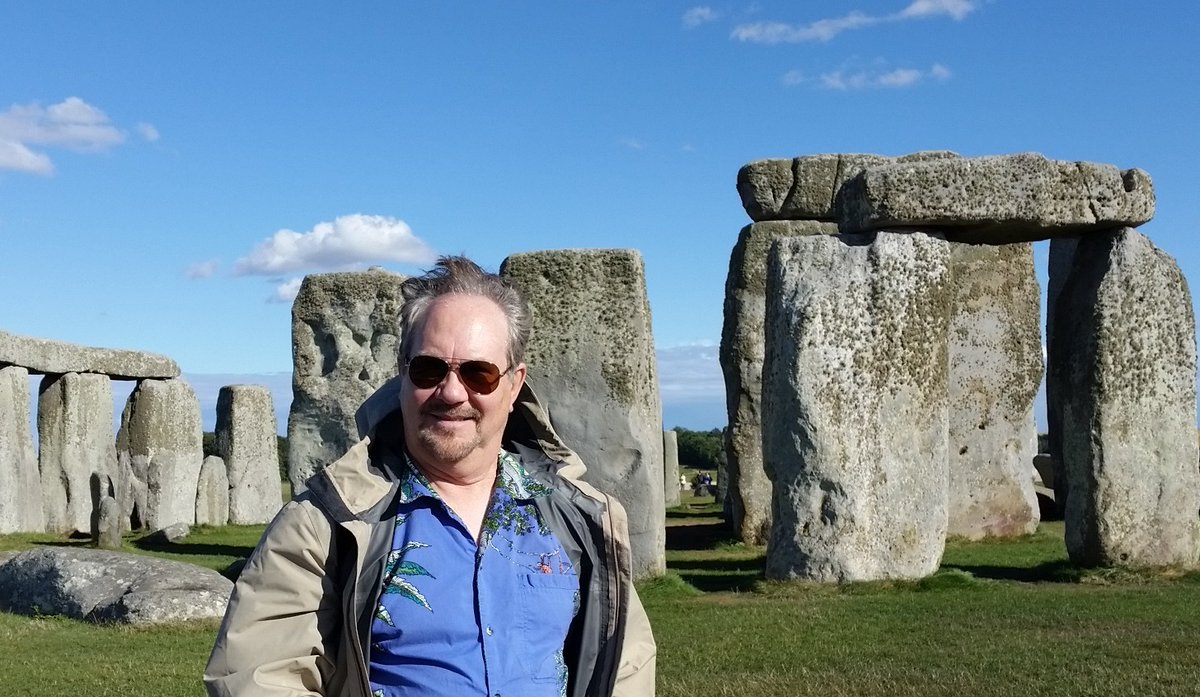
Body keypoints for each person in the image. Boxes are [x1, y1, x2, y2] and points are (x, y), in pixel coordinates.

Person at [204, 256, 656, 697]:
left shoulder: (580, 518)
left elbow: (624, 663)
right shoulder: (325, 523)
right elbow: (261, 675)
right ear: (402, 373)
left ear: (515, 385)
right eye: (429, 369)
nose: (452, 392)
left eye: (480, 373)